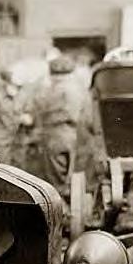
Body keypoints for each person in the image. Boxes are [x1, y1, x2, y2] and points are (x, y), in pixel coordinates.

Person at [27, 54, 87, 196]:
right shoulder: (77, 88)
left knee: (55, 175)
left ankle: (61, 207)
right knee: (69, 172)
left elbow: (36, 108)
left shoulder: (50, 90)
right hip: (71, 133)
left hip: (54, 133)